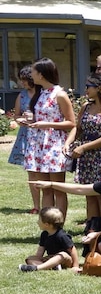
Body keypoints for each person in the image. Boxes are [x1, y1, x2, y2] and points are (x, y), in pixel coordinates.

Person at [23, 57, 76, 217]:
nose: (31, 74)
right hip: (39, 144)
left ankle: (58, 225)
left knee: (58, 188)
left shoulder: (59, 94)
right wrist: (31, 120)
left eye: (33, 71)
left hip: (53, 144)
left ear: (42, 74)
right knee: (45, 188)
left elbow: (71, 123)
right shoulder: (41, 93)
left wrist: (47, 124)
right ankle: (48, 225)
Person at [65, 73, 101, 221]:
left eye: (89, 86)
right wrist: (68, 143)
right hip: (88, 158)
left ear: (100, 88)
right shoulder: (86, 106)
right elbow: (78, 128)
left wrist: (84, 147)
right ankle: (91, 229)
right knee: (89, 196)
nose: (86, 90)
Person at [8, 66, 40, 214]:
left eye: (25, 80)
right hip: (26, 134)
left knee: (44, 171)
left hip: (42, 135)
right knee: (31, 171)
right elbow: (16, 115)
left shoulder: (43, 94)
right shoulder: (22, 95)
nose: (22, 83)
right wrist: (21, 120)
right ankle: (36, 206)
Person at [18, 206, 79, 272]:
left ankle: (37, 268)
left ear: (47, 224)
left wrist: (76, 266)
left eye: (39, 220)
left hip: (65, 260)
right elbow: (40, 252)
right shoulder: (44, 234)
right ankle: (51, 267)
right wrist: (37, 259)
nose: (37, 222)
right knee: (29, 258)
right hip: (51, 258)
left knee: (61, 255)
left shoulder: (62, 235)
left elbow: (73, 250)